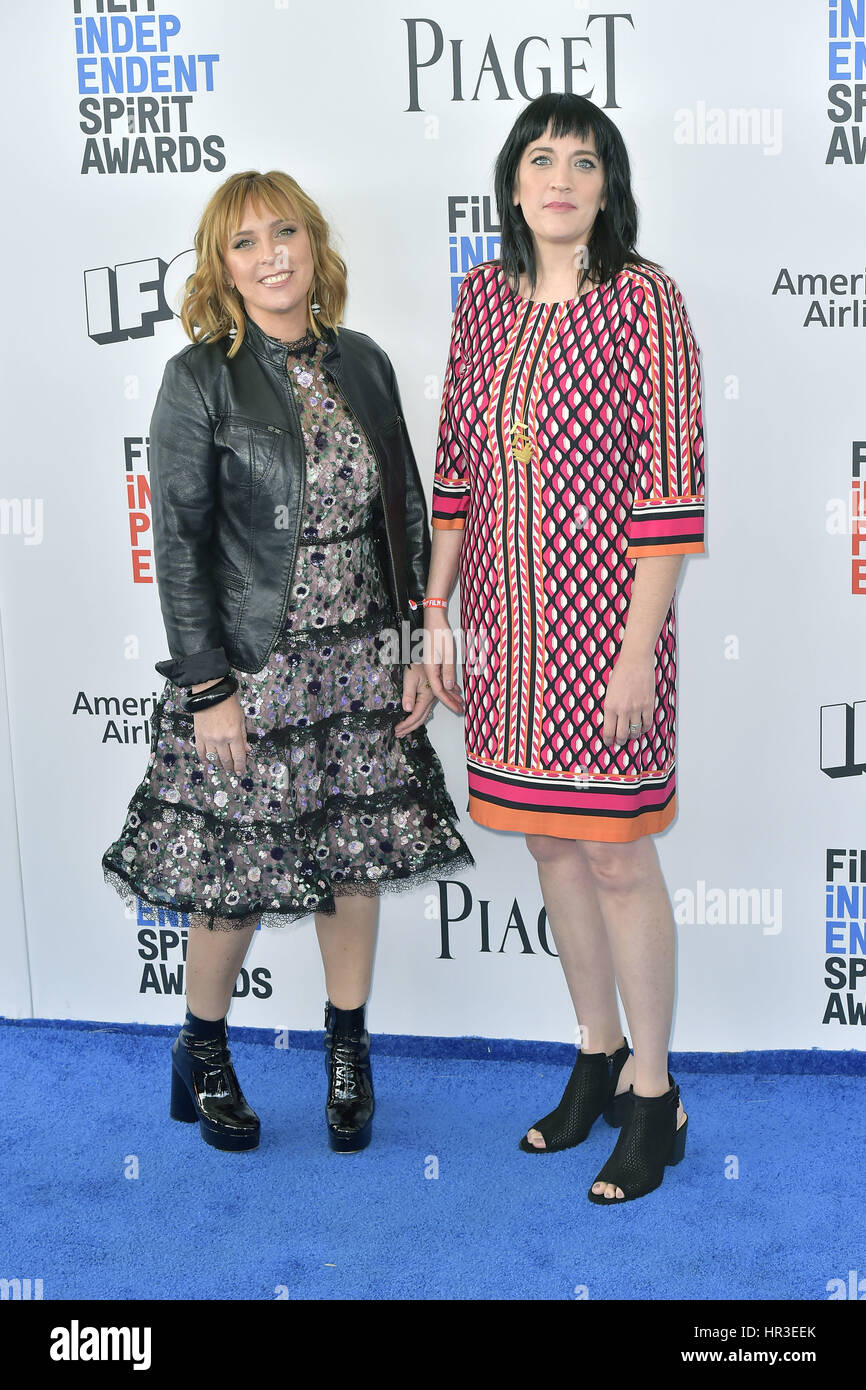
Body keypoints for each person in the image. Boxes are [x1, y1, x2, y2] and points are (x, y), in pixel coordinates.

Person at [102, 169, 475, 1155]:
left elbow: (404, 511)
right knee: (233, 876)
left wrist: (408, 644)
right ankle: (204, 1049)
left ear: (314, 244)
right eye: (244, 242)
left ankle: (346, 1051)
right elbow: (179, 544)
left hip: (360, 657)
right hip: (257, 668)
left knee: (352, 861)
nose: (270, 255)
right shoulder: (200, 376)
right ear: (221, 268)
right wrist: (209, 688)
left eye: (284, 232)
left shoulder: (364, 362)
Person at [424, 94, 705, 1204]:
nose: (559, 178)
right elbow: (452, 468)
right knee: (547, 848)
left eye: (581, 163)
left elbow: (670, 489)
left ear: (606, 187)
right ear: (511, 183)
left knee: (617, 855)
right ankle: (590, 1054)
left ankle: (654, 1093)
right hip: (500, 635)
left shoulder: (645, 301)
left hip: (608, 636)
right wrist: (433, 614)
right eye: (540, 159)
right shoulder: (483, 300)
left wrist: (636, 650)